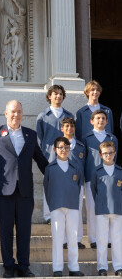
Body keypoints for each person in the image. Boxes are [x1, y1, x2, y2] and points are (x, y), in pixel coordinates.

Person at [0, 100, 48, 278]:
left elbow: (40, 159)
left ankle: (24, 266)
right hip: (3, 191)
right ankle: (8, 266)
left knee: (24, 230)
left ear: (22, 114)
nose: (16, 115)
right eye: (12, 112)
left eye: (18, 112)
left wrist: (55, 172)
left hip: (25, 191)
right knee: (6, 230)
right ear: (6, 113)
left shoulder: (30, 135)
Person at [44, 137, 84, 277]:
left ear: (69, 149)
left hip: (72, 206)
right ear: (55, 149)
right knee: (57, 238)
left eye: (66, 147)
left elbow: (78, 186)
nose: (64, 150)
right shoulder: (50, 168)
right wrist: (52, 204)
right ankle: (57, 268)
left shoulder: (75, 167)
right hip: (56, 206)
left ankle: (74, 267)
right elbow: (47, 188)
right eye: (61, 147)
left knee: (73, 238)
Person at [36, 85, 74, 224]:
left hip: (66, 155)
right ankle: (48, 214)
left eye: (60, 94)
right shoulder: (43, 116)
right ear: (49, 96)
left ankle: (65, 211)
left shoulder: (69, 115)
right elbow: (40, 139)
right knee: (50, 184)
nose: (58, 96)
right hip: (49, 156)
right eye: (55, 94)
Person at [49, 117, 86, 249]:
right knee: (62, 210)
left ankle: (77, 239)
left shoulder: (81, 146)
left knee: (77, 210)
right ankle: (64, 240)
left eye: (72, 126)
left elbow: (84, 165)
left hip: (77, 183)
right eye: (66, 126)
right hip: (61, 183)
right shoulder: (58, 145)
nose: (69, 129)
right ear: (62, 128)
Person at [84, 109, 118, 249]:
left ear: (107, 121)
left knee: (109, 208)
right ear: (92, 121)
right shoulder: (86, 138)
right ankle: (93, 238)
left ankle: (108, 239)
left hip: (109, 177)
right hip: (91, 177)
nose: (101, 120)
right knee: (92, 208)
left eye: (103, 118)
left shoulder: (112, 138)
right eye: (98, 118)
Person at [91, 141, 122, 276]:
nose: (108, 155)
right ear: (100, 154)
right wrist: (100, 202)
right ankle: (102, 267)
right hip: (102, 209)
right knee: (102, 240)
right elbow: (93, 190)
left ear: (114, 153)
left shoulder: (120, 171)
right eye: (105, 153)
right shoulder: (97, 172)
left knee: (117, 240)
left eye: (110, 153)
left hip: (117, 209)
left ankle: (118, 266)